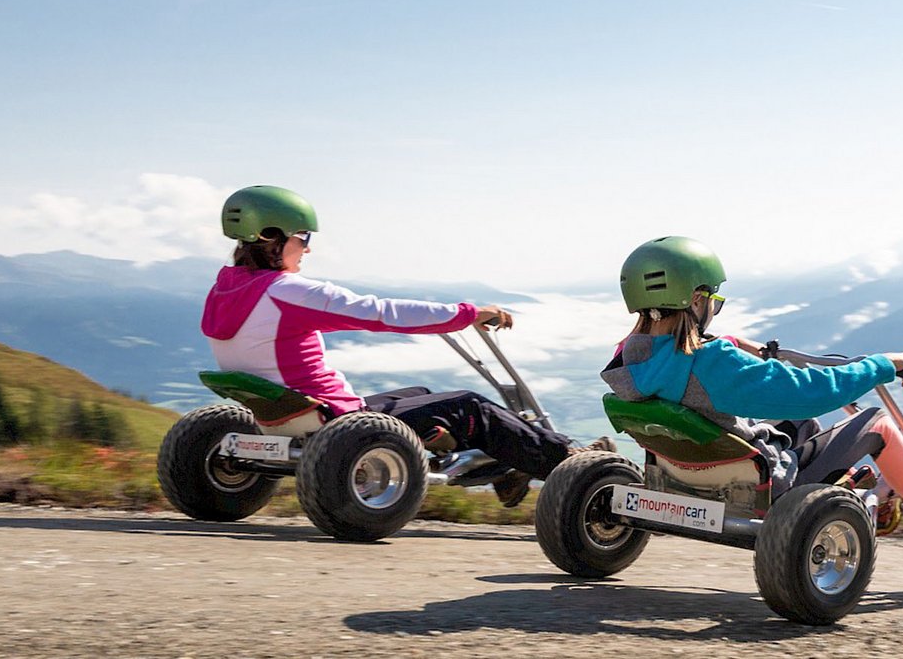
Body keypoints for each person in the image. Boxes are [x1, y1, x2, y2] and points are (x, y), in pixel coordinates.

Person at [200, 185, 610, 507]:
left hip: (287, 412)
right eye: (303, 238)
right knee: (471, 407)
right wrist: (466, 314)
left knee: (421, 396)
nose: (308, 248)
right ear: (272, 238)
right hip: (331, 416)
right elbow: (380, 312)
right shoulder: (286, 292)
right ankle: (571, 462)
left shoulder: (224, 288)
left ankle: (509, 463)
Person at [599, 236, 903, 562]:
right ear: (696, 301)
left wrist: (733, 344)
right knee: (877, 423)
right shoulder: (713, 365)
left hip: (681, 471)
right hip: (758, 483)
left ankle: (859, 492)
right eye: (713, 301)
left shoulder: (629, 357)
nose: (714, 309)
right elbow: (810, 393)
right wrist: (881, 365)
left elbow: (681, 356)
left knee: (802, 428)